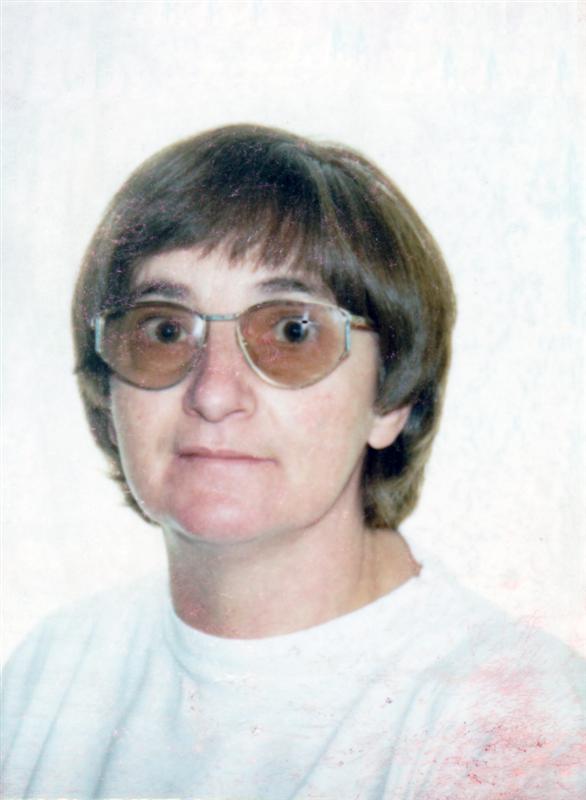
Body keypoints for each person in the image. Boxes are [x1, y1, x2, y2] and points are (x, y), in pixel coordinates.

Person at [2, 124, 584, 799]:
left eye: (291, 331)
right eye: (165, 330)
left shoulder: (515, 729)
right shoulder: (51, 677)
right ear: (109, 389)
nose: (214, 393)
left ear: (390, 397)